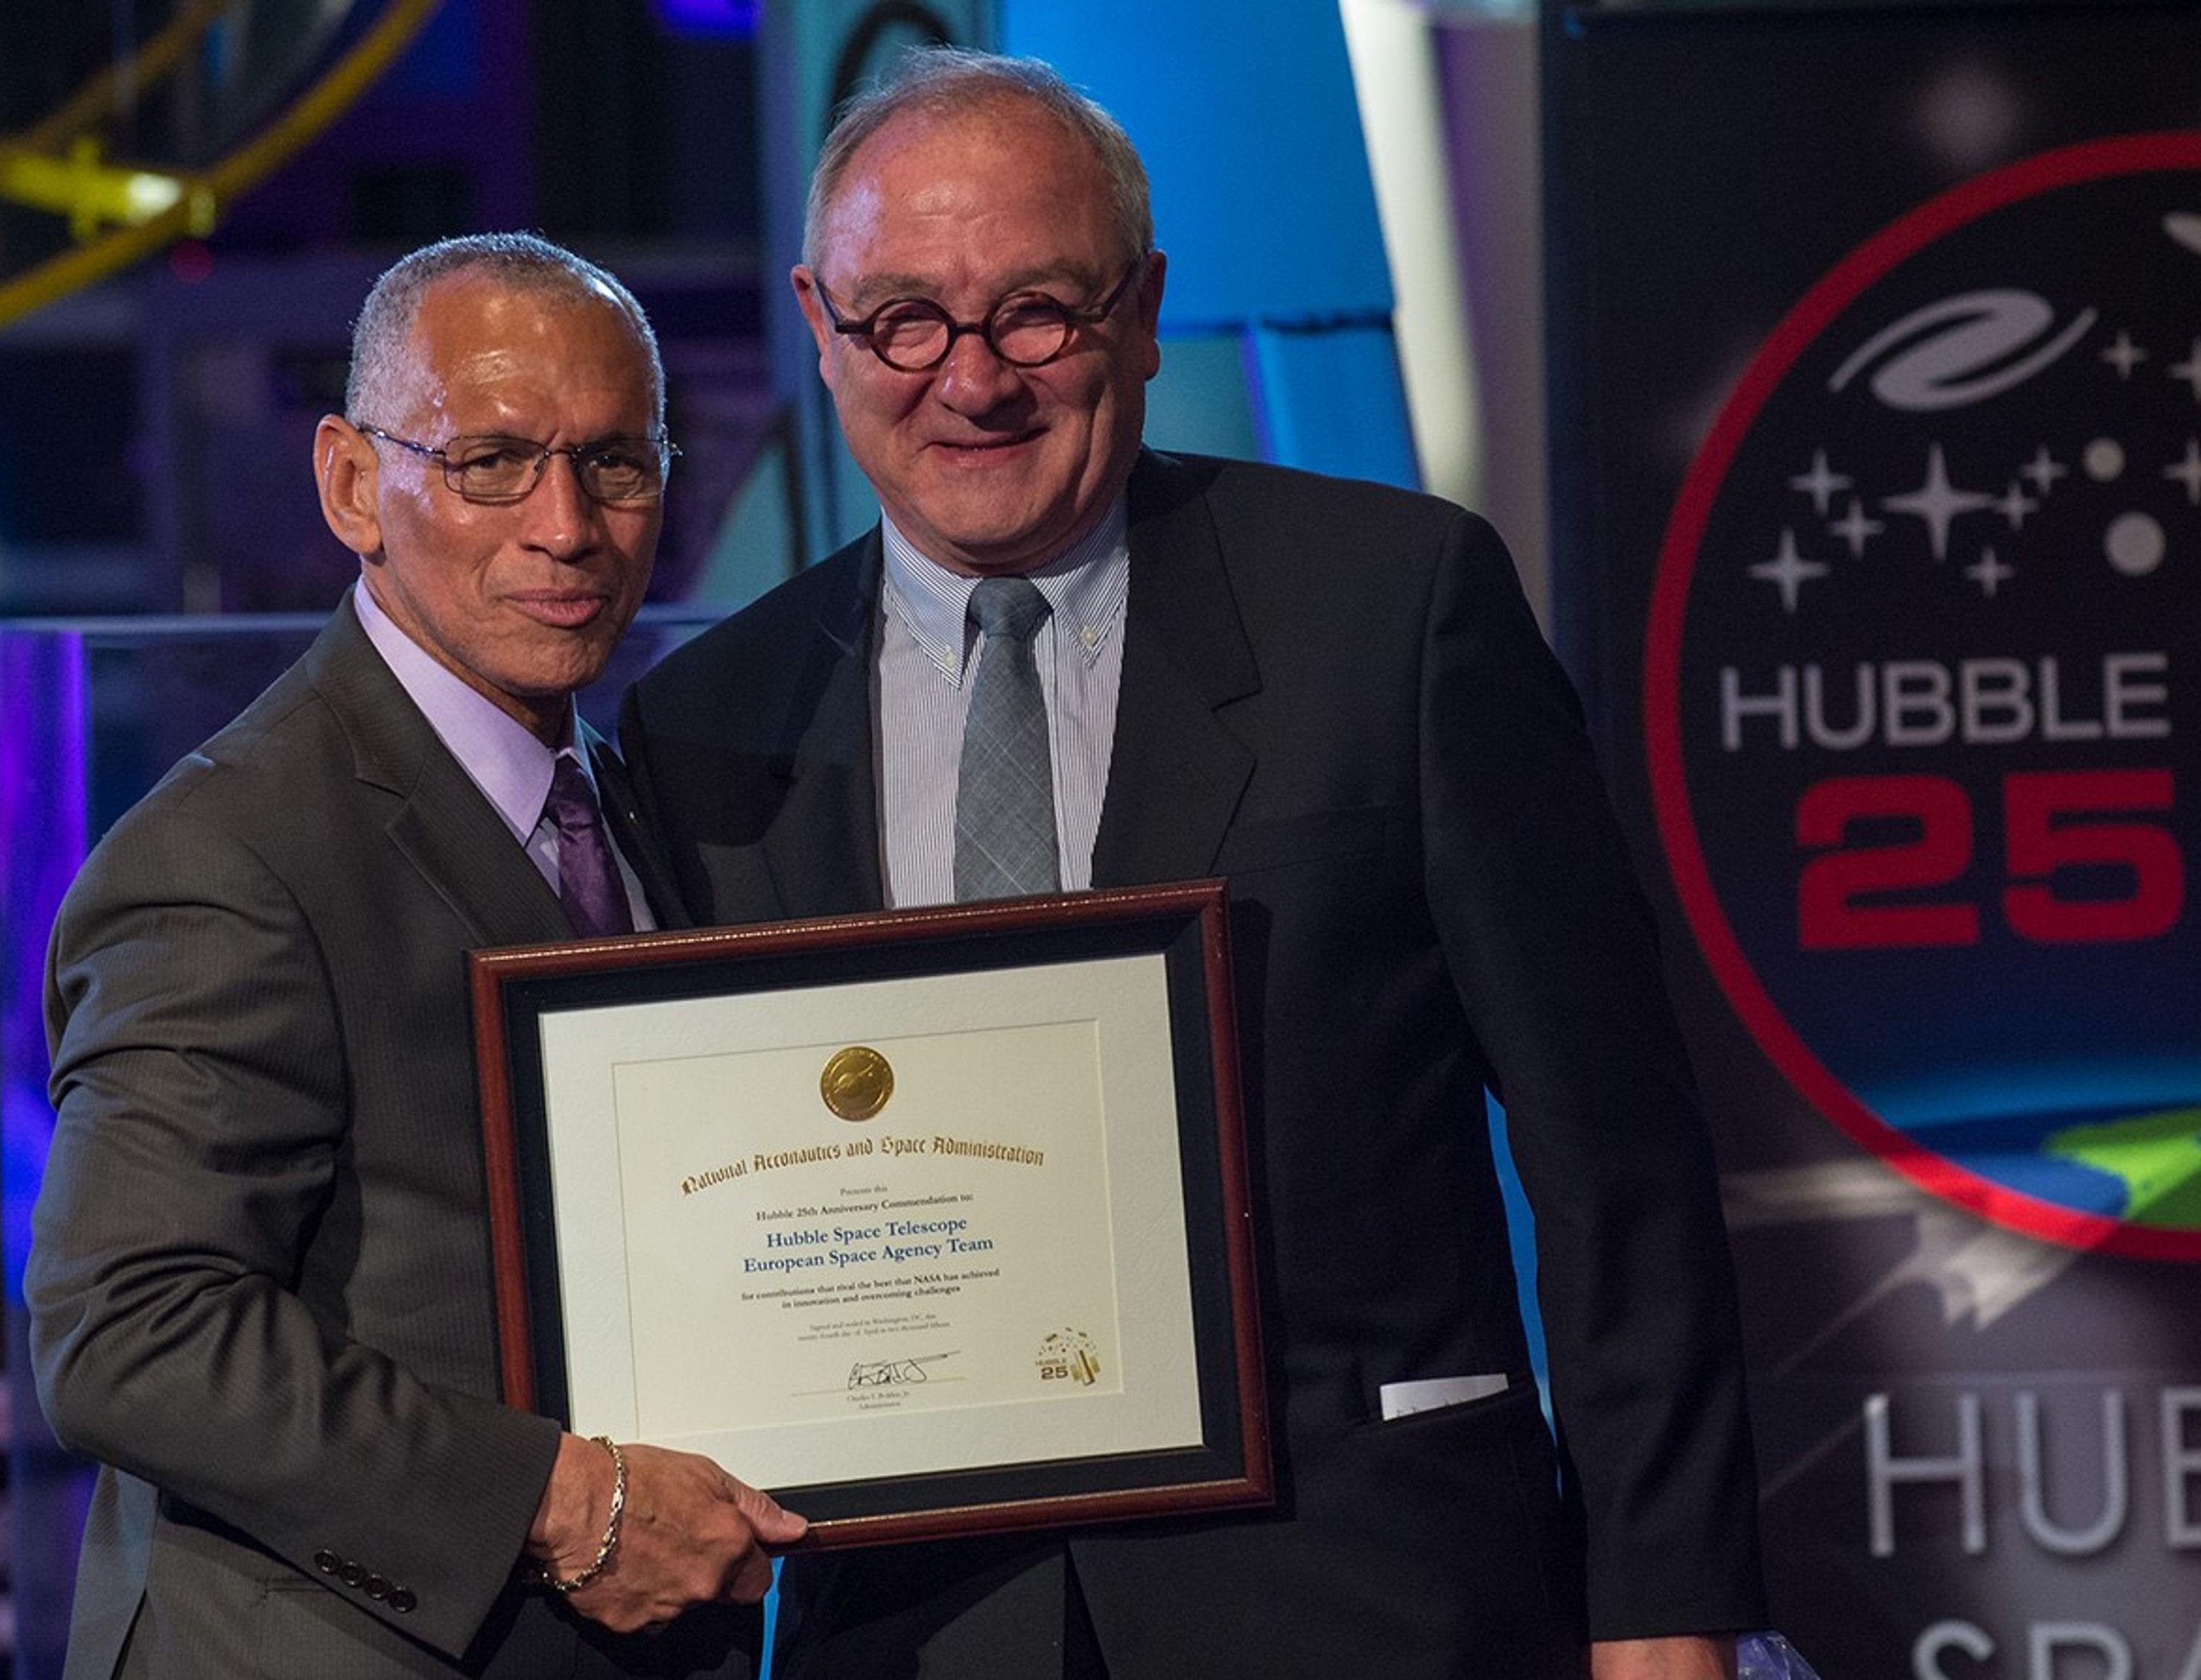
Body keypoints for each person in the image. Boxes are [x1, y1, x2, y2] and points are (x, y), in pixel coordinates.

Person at [618, 49, 1766, 1680]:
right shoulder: (708, 721)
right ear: (819, 325)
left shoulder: (1394, 607)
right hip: (917, 1630)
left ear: (1143, 310)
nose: (972, 378)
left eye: (1038, 310)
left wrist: (1668, 1600)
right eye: (903, 321)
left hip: (1368, 1596)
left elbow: (1615, 1141)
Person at [26, 232, 806, 1680]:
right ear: (348, 486)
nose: (565, 525)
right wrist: (568, 1503)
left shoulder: (632, 802)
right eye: (492, 461)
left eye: (616, 464)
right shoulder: (228, 851)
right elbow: (129, 1330)